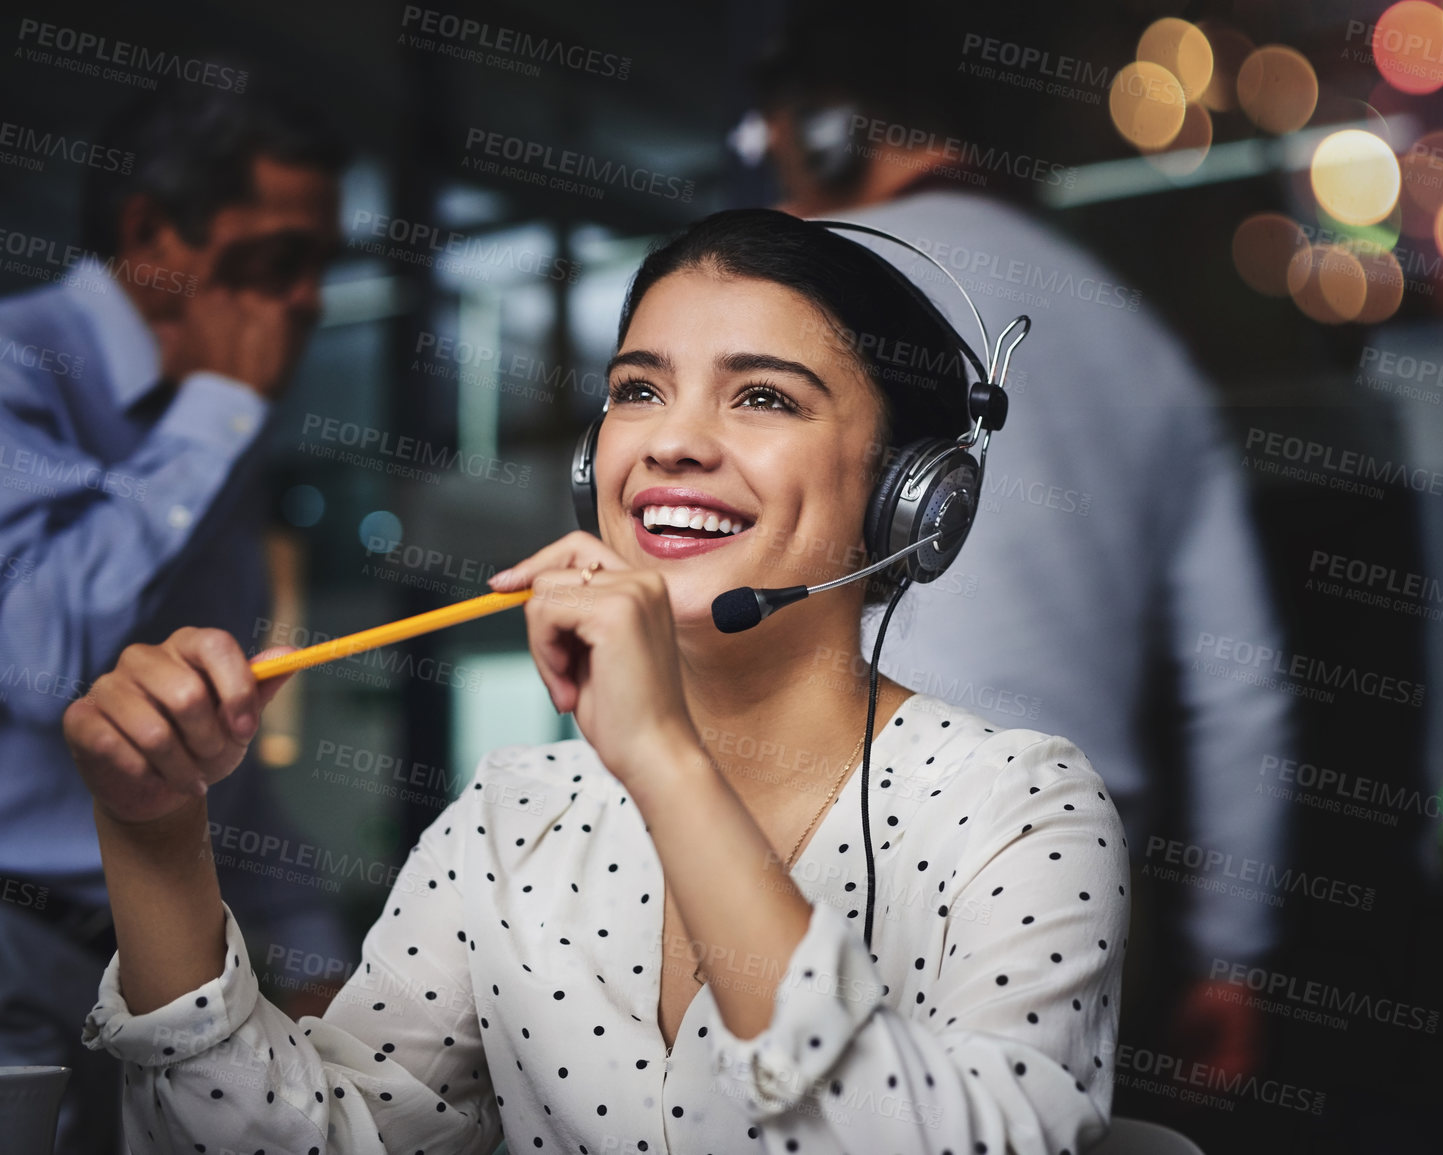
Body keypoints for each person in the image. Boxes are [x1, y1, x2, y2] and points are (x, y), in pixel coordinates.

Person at [69, 208, 1132, 1155]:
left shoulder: (1018, 808)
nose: (671, 442)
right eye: (638, 391)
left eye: (763, 397)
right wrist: (157, 837)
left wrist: (669, 766)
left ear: (911, 498)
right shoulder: (509, 818)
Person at [745, 6, 1294, 1078]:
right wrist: (1237, 956)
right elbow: (1243, 685)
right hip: (1070, 882)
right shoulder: (1139, 337)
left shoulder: (794, 296)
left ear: (820, 130)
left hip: (801, 854)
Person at [0, 83, 349, 1153]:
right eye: (275, 260)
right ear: (151, 234)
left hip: (161, 966)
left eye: (317, 268)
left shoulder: (212, 434)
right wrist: (217, 410)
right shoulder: (18, 364)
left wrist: (312, 944)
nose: (306, 302)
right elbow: (37, 658)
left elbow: (213, 738)